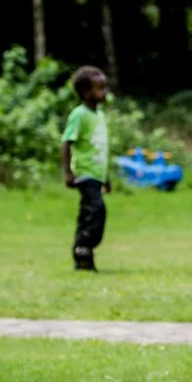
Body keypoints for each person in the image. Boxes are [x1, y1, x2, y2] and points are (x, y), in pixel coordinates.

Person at [60, 65, 111, 272]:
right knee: (97, 210)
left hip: (96, 174)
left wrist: (106, 177)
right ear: (86, 92)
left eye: (105, 87)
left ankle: (83, 257)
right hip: (84, 173)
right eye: (100, 88)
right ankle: (83, 246)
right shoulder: (79, 115)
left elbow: (99, 148)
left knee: (88, 214)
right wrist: (68, 172)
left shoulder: (98, 115)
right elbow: (66, 142)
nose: (104, 92)